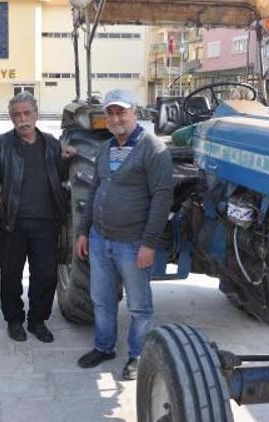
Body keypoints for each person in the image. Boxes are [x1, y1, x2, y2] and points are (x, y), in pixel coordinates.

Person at [75, 89, 173, 380]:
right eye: (111, 113)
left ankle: (138, 354)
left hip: (132, 244)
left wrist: (149, 243)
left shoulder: (153, 149)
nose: (116, 118)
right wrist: (83, 231)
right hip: (99, 239)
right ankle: (104, 347)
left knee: (139, 306)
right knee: (102, 300)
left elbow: (161, 198)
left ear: (135, 113)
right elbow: (95, 190)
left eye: (122, 112)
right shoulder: (106, 148)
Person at [0, 92, 76, 343]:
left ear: (36, 114)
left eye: (27, 113)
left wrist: (67, 160)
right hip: (13, 220)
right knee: (11, 274)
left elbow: (60, 176)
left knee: (45, 275)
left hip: (47, 220)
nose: (22, 119)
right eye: (16, 115)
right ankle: (14, 320)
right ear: (11, 118)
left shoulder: (52, 144)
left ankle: (37, 320)